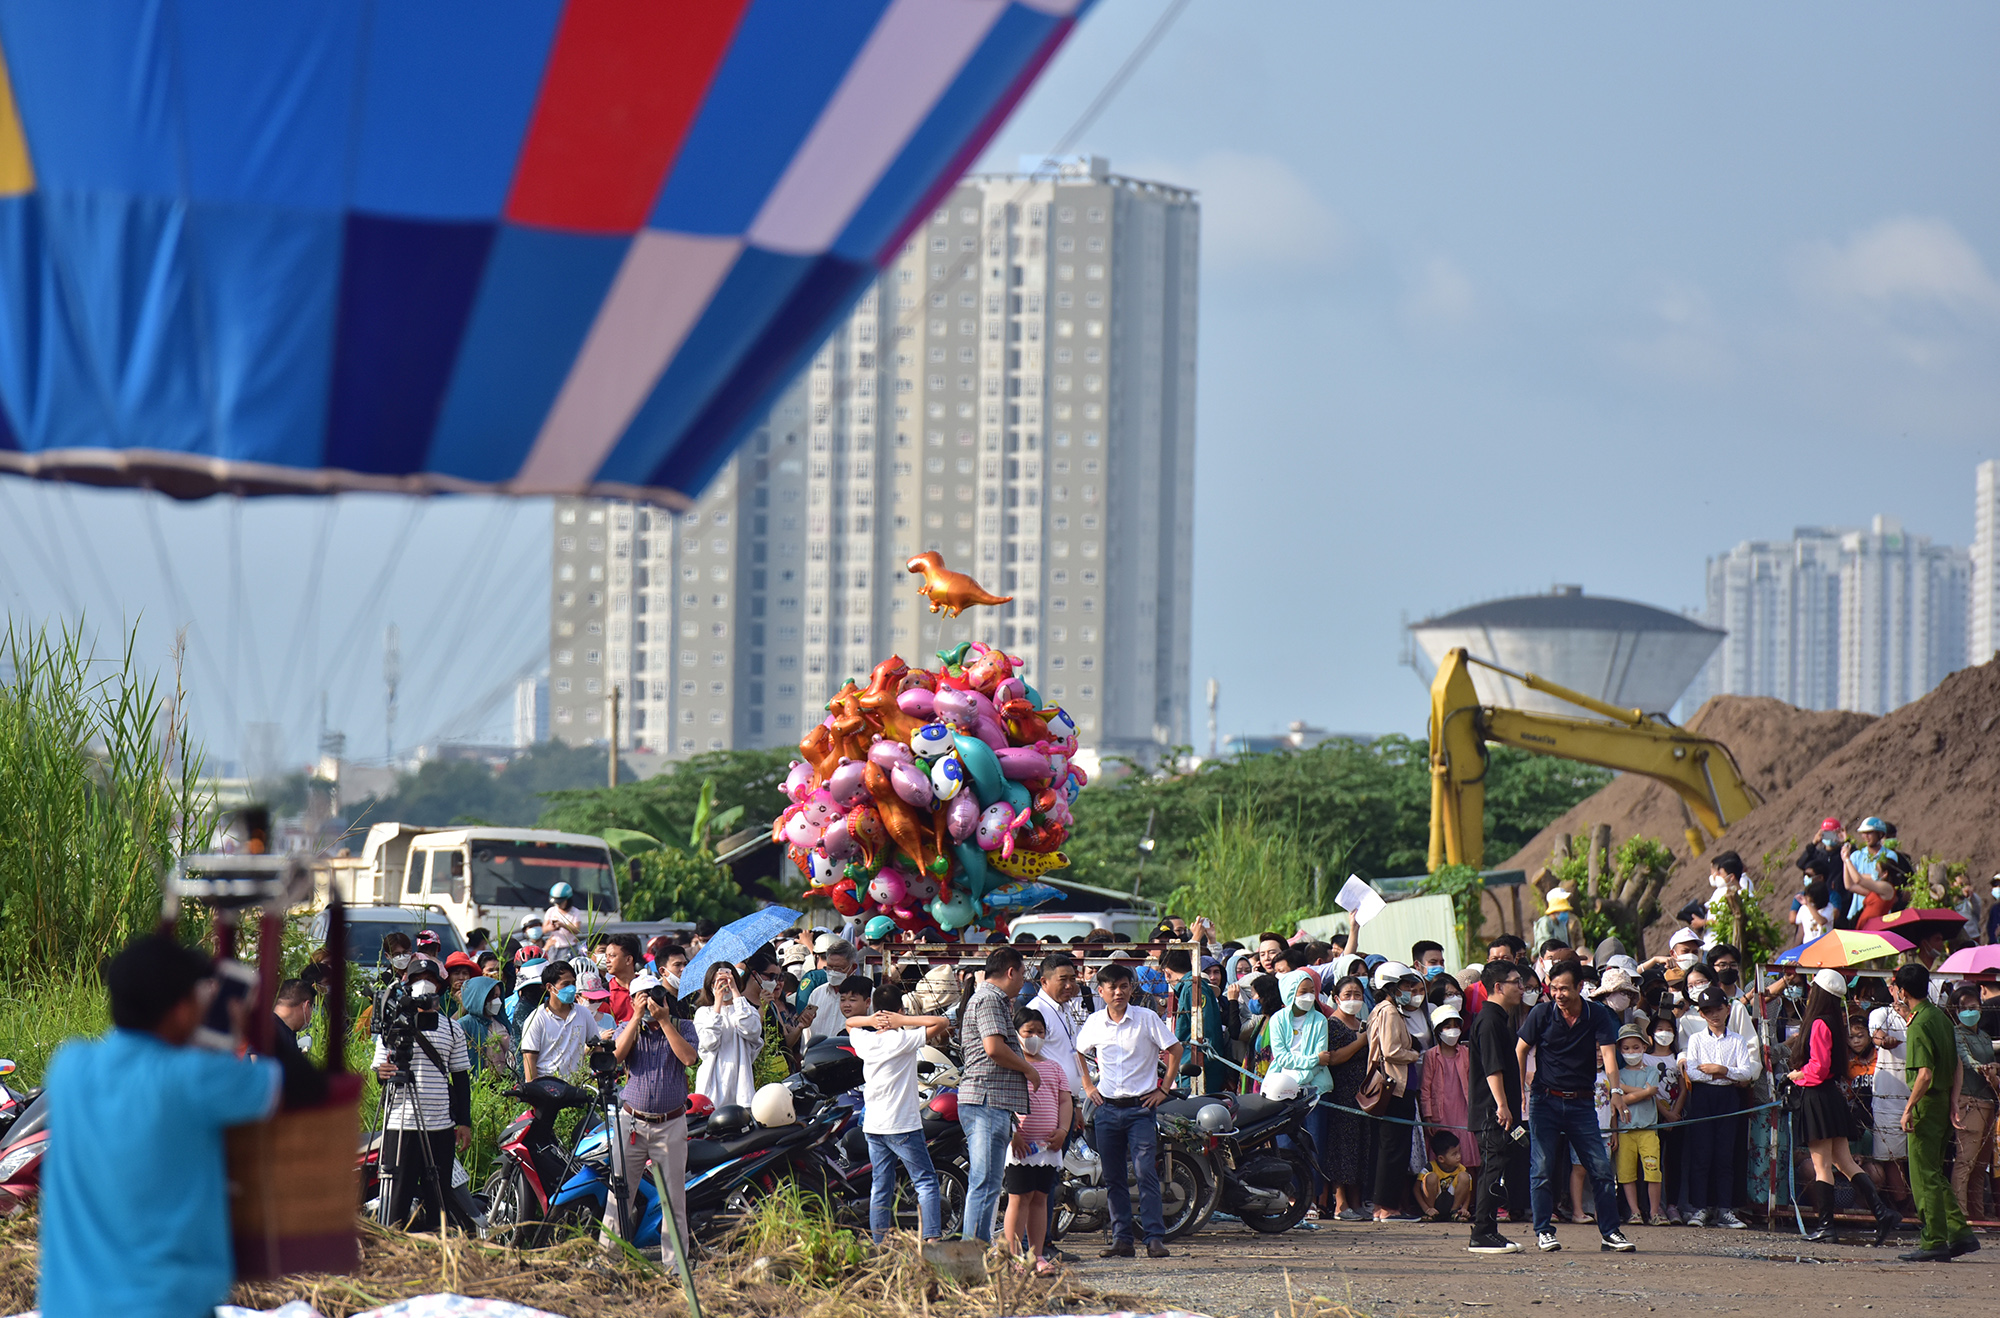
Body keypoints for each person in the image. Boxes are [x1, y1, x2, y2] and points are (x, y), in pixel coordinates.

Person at [39, 935, 282, 1318]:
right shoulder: (194, 1079)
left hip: (70, 1308)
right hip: (165, 1307)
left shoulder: (68, 1067)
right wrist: (253, 1024)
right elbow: (299, 1087)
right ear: (182, 1011)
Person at [1517, 959, 1633, 1252]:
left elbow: (1608, 1055)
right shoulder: (1541, 1014)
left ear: (1580, 987)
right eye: (1554, 988)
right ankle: (1543, 1230)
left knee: (1601, 1168)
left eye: (1565, 989)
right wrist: (1520, 1089)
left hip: (1582, 1103)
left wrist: (1616, 1090)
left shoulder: (1597, 1014)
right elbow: (1520, 1050)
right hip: (1545, 1100)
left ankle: (1610, 1232)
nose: (1558, 994)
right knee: (1541, 1168)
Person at [1076, 961, 1181, 1259]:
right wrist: (1087, 1085)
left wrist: (1163, 1089)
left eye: (1124, 986)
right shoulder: (1095, 1022)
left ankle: (1154, 1238)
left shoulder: (1146, 1018)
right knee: (1113, 1177)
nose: (1118, 992)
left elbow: (1175, 1049)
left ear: (1131, 989)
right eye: (1112, 987)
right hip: (1107, 1109)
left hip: (1140, 1110)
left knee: (1146, 1171)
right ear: (1101, 991)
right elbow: (1079, 1053)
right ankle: (1122, 1239)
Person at [1784, 968, 1897, 1242]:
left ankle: (1827, 1226)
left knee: (1822, 1165)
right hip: (1830, 1097)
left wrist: (1798, 1075)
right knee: (1844, 1162)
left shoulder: (1819, 1023)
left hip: (1817, 1096)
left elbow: (1819, 1068)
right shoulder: (1836, 1021)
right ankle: (1882, 1212)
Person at [603, 970, 701, 1267]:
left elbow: (689, 1059)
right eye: (642, 997)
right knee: (619, 1192)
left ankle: (675, 1267)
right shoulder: (626, 1027)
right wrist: (635, 1018)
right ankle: (608, 1261)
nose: (649, 1003)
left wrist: (664, 1021)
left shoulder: (683, 1026)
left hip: (670, 1124)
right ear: (632, 1000)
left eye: (654, 995)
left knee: (673, 1199)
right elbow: (616, 1058)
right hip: (631, 1121)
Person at [370, 955, 475, 1231]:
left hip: (440, 1125)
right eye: (418, 980)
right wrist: (382, 1072)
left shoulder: (453, 1028)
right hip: (400, 1124)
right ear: (408, 983)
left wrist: (464, 1122)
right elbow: (380, 1070)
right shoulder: (392, 1024)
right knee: (396, 1199)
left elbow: (461, 1078)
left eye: (430, 981)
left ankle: (435, 1255)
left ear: (439, 987)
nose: (424, 986)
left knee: (438, 1198)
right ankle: (389, 1252)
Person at [846, 986, 951, 1243]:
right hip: (902, 1125)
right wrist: (903, 1021)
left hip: (874, 1126)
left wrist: (871, 1021)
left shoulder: (865, 1040)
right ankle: (932, 1240)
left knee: (881, 1187)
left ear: (875, 1010)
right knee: (925, 1182)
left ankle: (879, 1244)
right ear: (900, 1010)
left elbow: (850, 1022)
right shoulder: (903, 1039)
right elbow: (942, 1022)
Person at [958, 946, 1042, 1246]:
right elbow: (994, 1048)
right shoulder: (991, 999)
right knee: (984, 1182)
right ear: (1011, 972)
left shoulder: (990, 999)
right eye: (1022, 973)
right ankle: (973, 1252)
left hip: (990, 1101)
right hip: (986, 1100)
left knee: (988, 1183)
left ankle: (974, 1249)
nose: (1023, 980)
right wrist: (1028, 1070)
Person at [1893, 963, 1978, 1261]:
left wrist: (1908, 1108)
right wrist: (1954, 1101)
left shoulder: (1919, 1024)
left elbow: (1925, 1074)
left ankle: (1933, 1240)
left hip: (1926, 1104)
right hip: (1942, 1102)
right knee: (1937, 1174)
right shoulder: (1940, 1018)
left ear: (1903, 992)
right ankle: (1959, 1232)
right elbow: (1956, 1064)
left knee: (1924, 1175)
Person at [1004, 1007, 1073, 1274]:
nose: (1035, 1036)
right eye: (1029, 1032)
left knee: (1040, 1198)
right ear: (1016, 1034)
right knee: (1019, 1198)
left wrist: (1063, 1130)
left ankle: (1037, 1255)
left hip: (1048, 1147)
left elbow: (1065, 1099)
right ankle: (1014, 1256)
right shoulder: (1012, 1066)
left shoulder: (1054, 1067)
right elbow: (1005, 1103)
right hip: (1020, 1147)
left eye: (1040, 1032)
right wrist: (1014, 1133)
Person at [1678, 988, 1753, 1229]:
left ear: (1728, 1009)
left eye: (1718, 1009)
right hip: (1703, 1097)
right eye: (1708, 1011)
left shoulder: (1738, 1040)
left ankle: (1725, 1209)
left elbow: (1746, 1071)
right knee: (1701, 1152)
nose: (1714, 1015)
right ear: (1701, 1014)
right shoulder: (1697, 1039)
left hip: (1729, 1096)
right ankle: (1700, 1208)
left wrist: (1721, 1070)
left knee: (1725, 1154)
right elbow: (1692, 1070)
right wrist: (1719, 1074)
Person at [1467, 960, 1528, 1254]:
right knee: (1493, 1170)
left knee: (1498, 1167)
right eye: (1516, 981)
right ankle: (1482, 1233)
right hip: (1492, 1113)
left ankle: (1489, 1231)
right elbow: (1493, 1068)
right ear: (1498, 987)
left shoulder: (1499, 1018)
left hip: (1499, 1112)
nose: (1522, 987)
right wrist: (1502, 1105)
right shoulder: (1489, 1020)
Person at [1366, 962, 1424, 1221]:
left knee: (1391, 1149)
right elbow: (1391, 1051)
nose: (1409, 990)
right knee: (1394, 1150)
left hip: (1398, 1088)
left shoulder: (1386, 1009)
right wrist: (1414, 1053)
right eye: (1404, 985)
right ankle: (1386, 1208)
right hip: (1395, 1088)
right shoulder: (1389, 1011)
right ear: (1390, 986)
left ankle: (1383, 1206)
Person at [1323, 975, 1372, 1220]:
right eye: (1347, 995)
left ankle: (1357, 1201)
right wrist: (1361, 1041)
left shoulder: (1363, 1024)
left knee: (1361, 1146)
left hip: (1363, 1094)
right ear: (1336, 998)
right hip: (1341, 1093)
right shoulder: (1332, 1024)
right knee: (1342, 1147)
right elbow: (1333, 1058)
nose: (1353, 1000)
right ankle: (1341, 1204)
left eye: (1357, 995)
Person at [1948, 983, 1997, 1222]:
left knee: (1980, 1166)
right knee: (1965, 1162)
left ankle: (1977, 1216)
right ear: (1956, 1011)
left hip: (1988, 1101)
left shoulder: (1985, 1037)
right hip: (1969, 1101)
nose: (1970, 1011)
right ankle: (1961, 1217)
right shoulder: (1956, 1034)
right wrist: (1981, 1068)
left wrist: (1994, 1068)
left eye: (1974, 1006)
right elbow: (1965, 1060)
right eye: (1964, 1007)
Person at [1612, 1025, 1666, 1225]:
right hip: (1625, 1129)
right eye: (1626, 1048)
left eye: (1635, 1047)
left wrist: (1622, 1091)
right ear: (1620, 1050)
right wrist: (1643, 1091)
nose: (1631, 1052)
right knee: (1626, 1174)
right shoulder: (1617, 1072)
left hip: (1648, 1130)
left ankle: (1654, 1212)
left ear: (1644, 1047)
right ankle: (1634, 1211)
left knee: (1653, 1172)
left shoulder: (1652, 1070)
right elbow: (1646, 1092)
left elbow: (1652, 1091)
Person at [1420, 1001, 1477, 1187]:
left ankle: (1468, 1201)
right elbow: (1426, 1088)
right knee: (1443, 1156)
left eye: (1455, 1026)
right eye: (1447, 1026)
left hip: (1463, 1109)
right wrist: (1428, 1116)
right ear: (1438, 1030)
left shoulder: (1466, 1053)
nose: (1452, 1030)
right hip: (1440, 1113)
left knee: (1467, 1155)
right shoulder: (1431, 1055)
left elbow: (1473, 1082)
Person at [693, 962, 762, 1108]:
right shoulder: (703, 1013)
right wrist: (717, 1004)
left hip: (741, 1085)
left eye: (726, 981)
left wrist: (736, 992)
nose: (723, 986)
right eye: (716, 982)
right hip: (713, 1086)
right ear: (710, 985)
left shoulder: (745, 1009)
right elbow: (708, 1041)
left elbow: (752, 1030)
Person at [1162, 947, 1228, 1095]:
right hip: (1190, 1064)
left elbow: (1205, 1030)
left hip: (1199, 1067)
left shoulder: (1194, 988)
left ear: (1166, 973)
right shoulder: (1188, 987)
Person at [520, 961, 591, 1081]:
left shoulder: (583, 1013)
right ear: (549, 987)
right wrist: (534, 1092)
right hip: (547, 1089)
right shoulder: (537, 1019)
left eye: (573, 983)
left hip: (577, 1088)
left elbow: (595, 1045)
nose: (571, 988)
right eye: (566, 984)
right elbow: (529, 1059)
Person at [800, 939, 858, 1044]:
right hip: (818, 1057)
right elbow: (807, 1032)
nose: (834, 972)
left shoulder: (868, 995)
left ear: (853, 967)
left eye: (839, 969)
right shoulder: (817, 994)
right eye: (830, 968)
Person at [1416, 1130, 1472, 1221]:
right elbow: (1416, 1189)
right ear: (1441, 1159)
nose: (1459, 1156)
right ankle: (1431, 1214)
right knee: (1431, 1177)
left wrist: (1464, 1208)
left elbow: (1468, 1191)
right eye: (1454, 1154)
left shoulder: (1461, 1169)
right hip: (1434, 1203)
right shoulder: (1430, 1167)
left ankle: (1454, 1212)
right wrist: (1426, 1209)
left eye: (1459, 1152)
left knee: (1465, 1177)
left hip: (1452, 1202)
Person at [1531, 888, 1580, 953]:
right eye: (1563, 911)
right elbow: (1545, 947)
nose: (1566, 913)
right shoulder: (1546, 922)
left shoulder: (1561, 924)